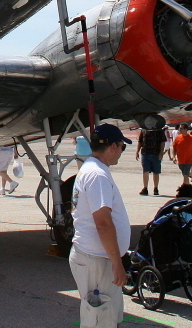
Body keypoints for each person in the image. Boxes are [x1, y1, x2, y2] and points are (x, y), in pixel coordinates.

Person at [69, 124, 130, 328]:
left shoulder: (91, 169)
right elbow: (103, 223)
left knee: (107, 316)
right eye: (123, 146)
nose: (122, 152)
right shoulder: (98, 175)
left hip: (95, 258)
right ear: (113, 146)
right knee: (100, 320)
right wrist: (117, 263)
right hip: (97, 262)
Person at [135, 124, 164, 196]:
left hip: (156, 153)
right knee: (145, 171)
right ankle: (145, 188)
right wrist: (137, 151)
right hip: (145, 153)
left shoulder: (159, 130)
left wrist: (161, 153)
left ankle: (156, 188)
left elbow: (162, 142)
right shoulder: (144, 130)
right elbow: (140, 141)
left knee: (156, 172)